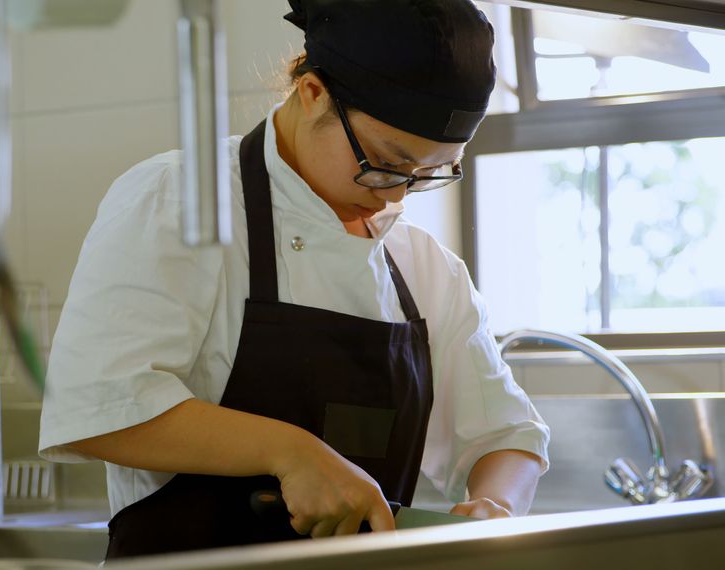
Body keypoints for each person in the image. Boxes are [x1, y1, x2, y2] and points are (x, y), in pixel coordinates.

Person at [39, 0, 549, 559]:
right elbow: (99, 409)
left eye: (428, 174)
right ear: (312, 94)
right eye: (384, 162)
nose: (397, 195)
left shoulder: (424, 266)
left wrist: (493, 507)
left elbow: (507, 439)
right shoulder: (183, 201)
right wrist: (291, 452)